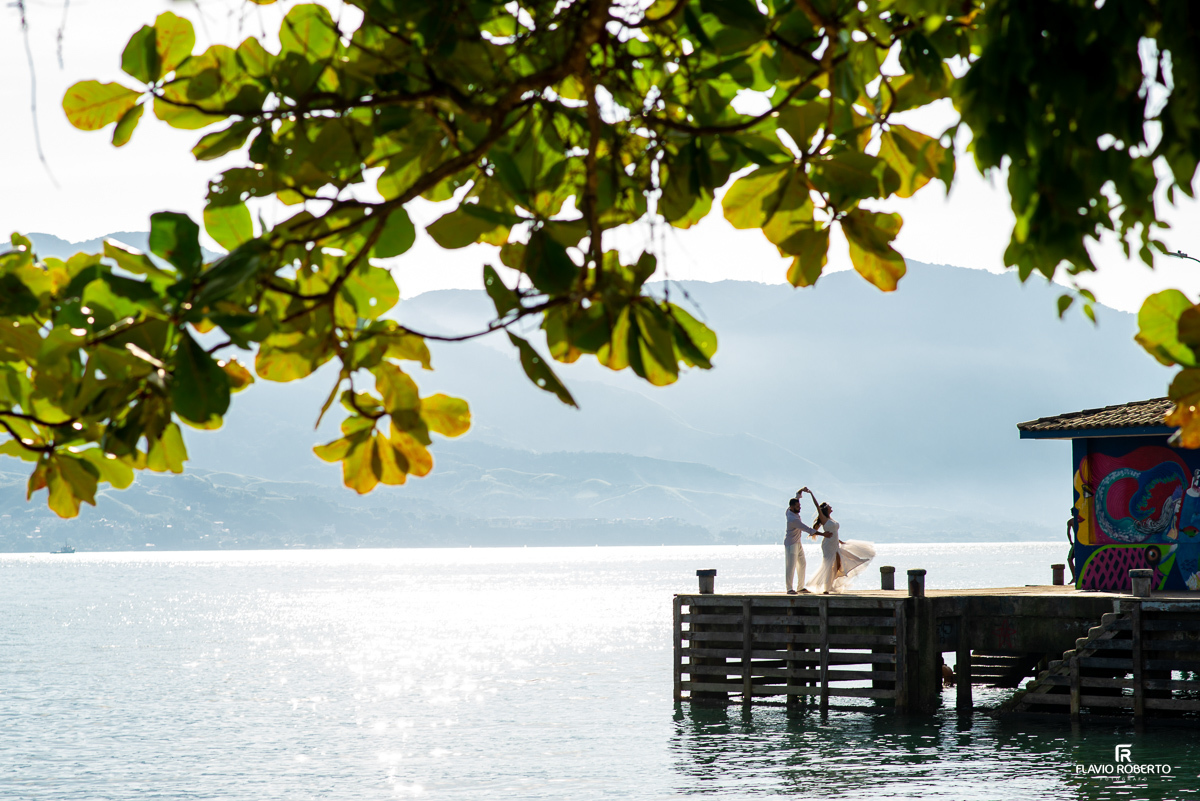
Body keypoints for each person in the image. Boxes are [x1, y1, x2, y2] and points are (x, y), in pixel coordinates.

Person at [801, 489, 876, 594]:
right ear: (826, 509)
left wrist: (840, 541)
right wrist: (811, 494)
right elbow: (817, 506)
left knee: (838, 565)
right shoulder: (824, 519)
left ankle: (829, 584)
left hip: (835, 543)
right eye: (829, 506)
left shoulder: (831, 519)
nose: (831, 507)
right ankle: (824, 588)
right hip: (828, 545)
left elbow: (834, 532)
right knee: (828, 565)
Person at [785, 488, 821, 595]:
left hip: (797, 542)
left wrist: (801, 491)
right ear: (792, 507)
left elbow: (796, 497)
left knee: (802, 563)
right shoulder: (792, 519)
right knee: (791, 566)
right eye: (797, 507)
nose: (799, 508)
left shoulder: (789, 510)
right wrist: (823, 534)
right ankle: (789, 588)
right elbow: (807, 529)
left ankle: (800, 587)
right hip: (791, 544)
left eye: (799, 506)